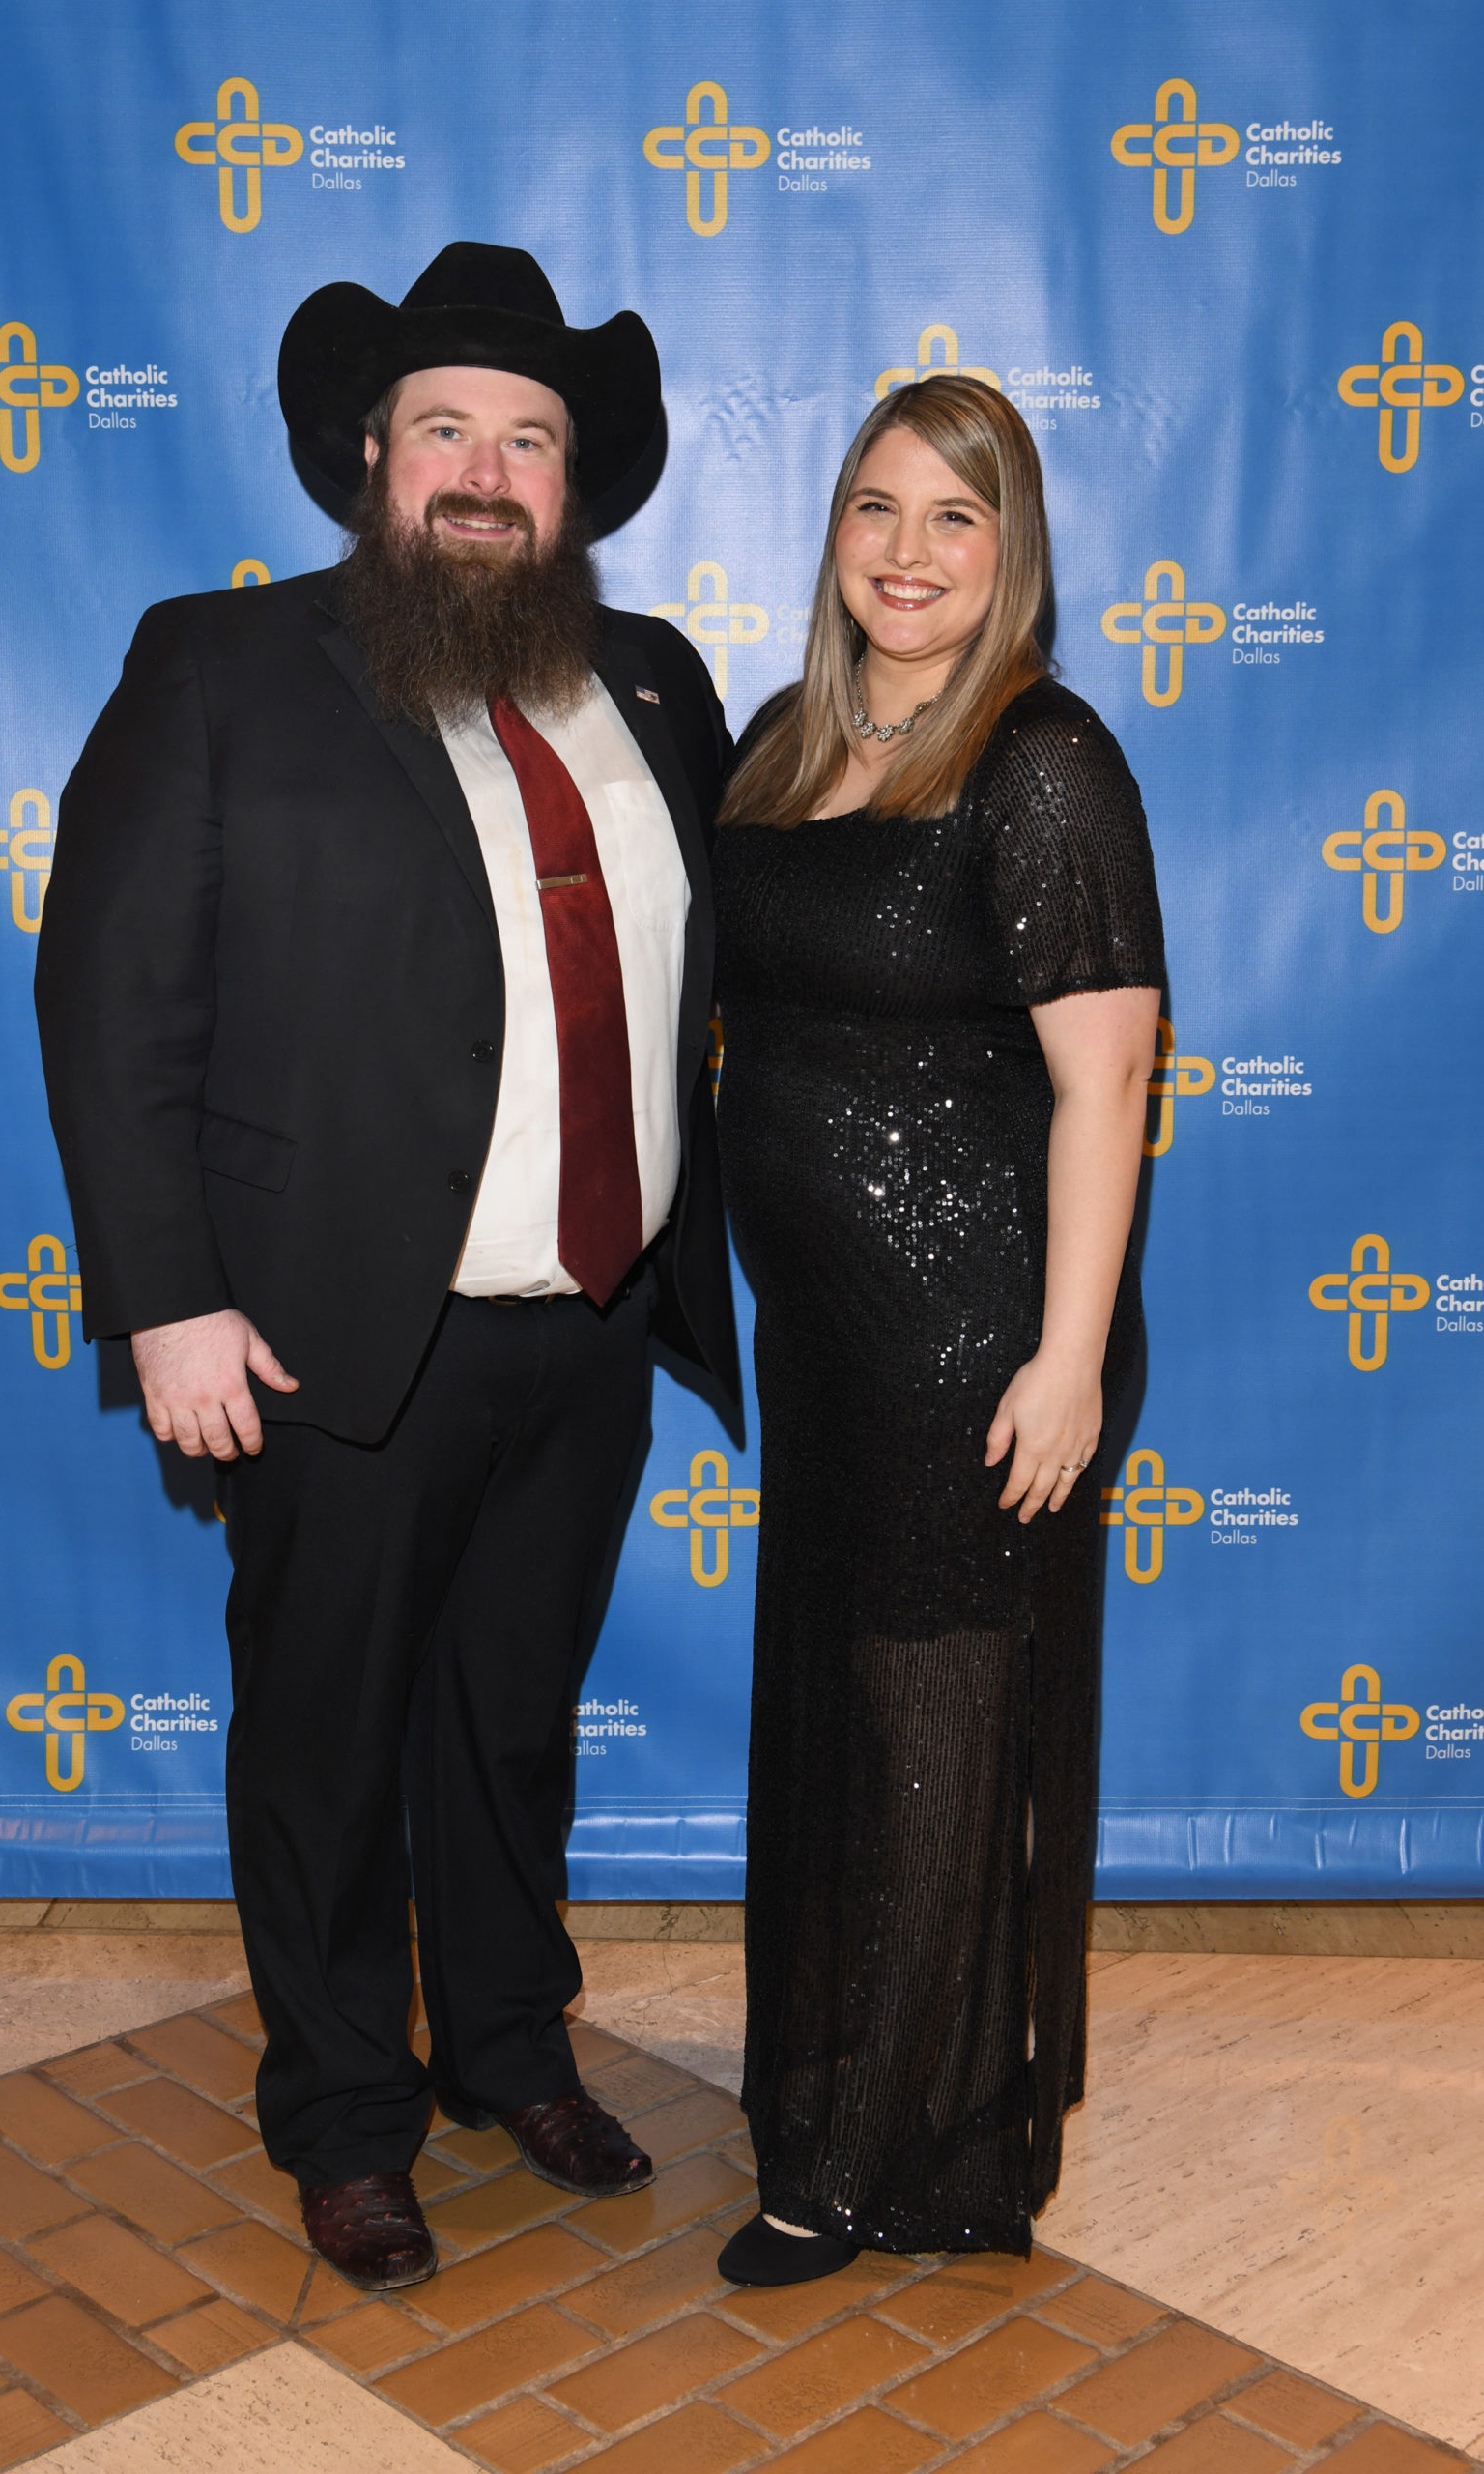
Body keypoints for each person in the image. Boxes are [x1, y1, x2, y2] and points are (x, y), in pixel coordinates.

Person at [34, 244, 738, 2294]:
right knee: (327, 1737)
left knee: (511, 1722)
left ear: (571, 486)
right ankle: (344, 2113)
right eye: (446, 428)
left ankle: (508, 2046)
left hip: (589, 1320)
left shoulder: (656, 685)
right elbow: (109, 998)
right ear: (370, 453)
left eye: (527, 438)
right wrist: (167, 1297)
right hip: (333, 1330)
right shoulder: (221, 665)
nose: (485, 472)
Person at [710, 374, 1163, 2287]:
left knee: (933, 1732)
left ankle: (887, 2155)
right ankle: (844, 2083)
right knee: (848, 1718)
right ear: (832, 528)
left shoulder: (1039, 758)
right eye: (876, 507)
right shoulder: (782, 740)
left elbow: (1104, 1078)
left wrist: (1063, 1357)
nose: (907, 552)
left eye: (954, 516)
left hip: (978, 1339)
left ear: (1011, 550)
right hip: (824, 1341)